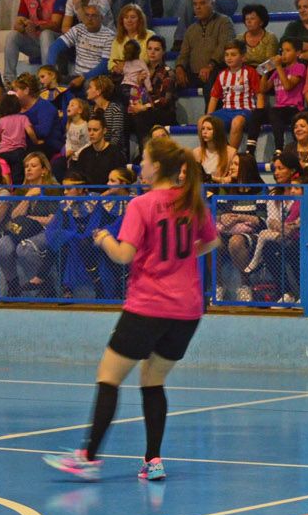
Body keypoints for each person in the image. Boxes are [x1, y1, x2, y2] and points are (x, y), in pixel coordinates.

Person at [44, 133, 219, 482]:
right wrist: (178, 260)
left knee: (108, 377)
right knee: (152, 381)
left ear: (156, 167)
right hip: (186, 309)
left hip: (149, 304)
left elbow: (125, 255)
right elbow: (212, 240)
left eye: (144, 160)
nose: (140, 165)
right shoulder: (190, 201)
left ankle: (88, 458)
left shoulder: (142, 205)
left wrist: (104, 238)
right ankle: (153, 460)